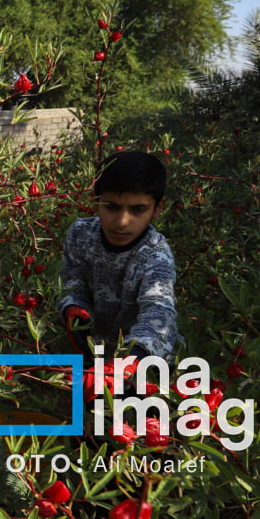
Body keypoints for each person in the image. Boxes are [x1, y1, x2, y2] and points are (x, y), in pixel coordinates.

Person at [57, 151, 178, 361]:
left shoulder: (156, 256)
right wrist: (72, 309)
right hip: (94, 351)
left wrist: (133, 358)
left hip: (142, 360)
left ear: (158, 208)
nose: (122, 221)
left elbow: (158, 312)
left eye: (138, 209)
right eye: (111, 207)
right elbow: (72, 283)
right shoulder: (80, 234)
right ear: (95, 201)